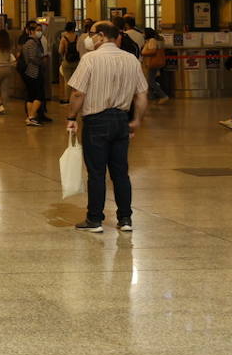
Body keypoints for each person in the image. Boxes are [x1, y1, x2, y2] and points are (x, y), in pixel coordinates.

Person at [66, 21, 149, 233]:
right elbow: (141, 94)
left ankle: (94, 219)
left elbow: (78, 93)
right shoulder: (131, 59)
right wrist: (137, 120)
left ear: (102, 36)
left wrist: (71, 116)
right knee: (121, 173)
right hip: (121, 120)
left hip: (96, 121)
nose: (89, 37)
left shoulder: (90, 59)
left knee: (96, 173)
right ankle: (125, 219)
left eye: (92, 34)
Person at [19, 21, 48, 126]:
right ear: (31, 31)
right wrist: (41, 61)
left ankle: (30, 117)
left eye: (40, 30)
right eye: (37, 30)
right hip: (33, 72)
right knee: (38, 95)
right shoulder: (31, 43)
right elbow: (32, 58)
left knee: (31, 96)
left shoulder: (28, 42)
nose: (39, 32)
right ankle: (31, 116)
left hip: (29, 72)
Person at [140, 28, 170, 104]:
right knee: (149, 81)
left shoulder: (152, 40)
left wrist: (143, 53)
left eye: (144, 33)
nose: (143, 35)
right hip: (150, 63)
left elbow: (153, 51)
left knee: (151, 81)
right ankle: (152, 98)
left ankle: (163, 96)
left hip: (152, 63)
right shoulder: (152, 40)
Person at [57, 21, 80, 104]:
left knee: (67, 81)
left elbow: (60, 50)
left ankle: (67, 99)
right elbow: (79, 49)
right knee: (76, 81)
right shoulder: (77, 37)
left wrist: (64, 54)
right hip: (76, 62)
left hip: (67, 61)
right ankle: (76, 97)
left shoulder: (64, 38)